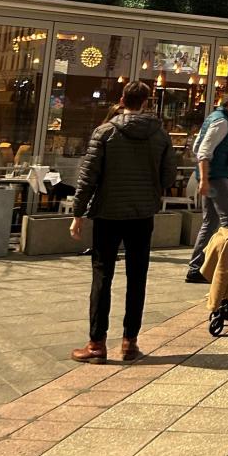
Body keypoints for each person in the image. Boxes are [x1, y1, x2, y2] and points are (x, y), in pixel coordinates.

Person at [68, 80, 178, 363]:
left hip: (108, 212)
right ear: (146, 102)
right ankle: (130, 341)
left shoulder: (105, 132)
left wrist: (77, 213)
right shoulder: (160, 135)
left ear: (122, 99)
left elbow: (87, 177)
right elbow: (168, 178)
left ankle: (96, 344)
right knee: (137, 275)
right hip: (143, 213)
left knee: (102, 275)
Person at [186, 92, 228, 283]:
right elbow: (203, 152)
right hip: (216, 179)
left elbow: (197, 146)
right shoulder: (221, 122)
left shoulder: (214, 118)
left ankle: (197, 268)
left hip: (211, 178)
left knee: (210, 222)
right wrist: (204, 179)